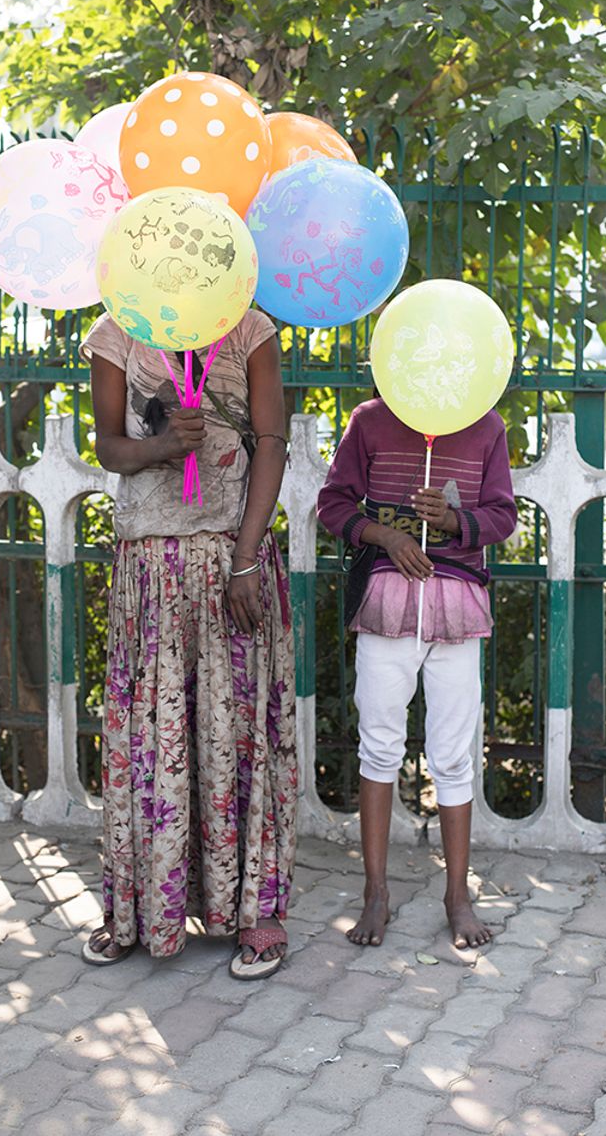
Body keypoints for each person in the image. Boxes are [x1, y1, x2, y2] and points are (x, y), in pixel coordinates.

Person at [80, 308, 297, 980]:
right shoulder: (117, 329)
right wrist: (161, 448)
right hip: (150, 567)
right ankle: (144, 909)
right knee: (152, 735)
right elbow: (110, 447)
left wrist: (246, 557)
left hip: (233, 557)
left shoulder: (250, 327)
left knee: (240, 734)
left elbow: (273, 440)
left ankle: (258, 910)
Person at [317, 396, 516, 949]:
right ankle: (375, 893)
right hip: (387, 602)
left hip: (458, 605)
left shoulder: (486, 426)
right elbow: (333, 504)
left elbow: (503, 514)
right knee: (378, 745)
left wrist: (454, 521)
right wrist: (388, 536)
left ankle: (457, 895)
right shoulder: (371, 420)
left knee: (453, 754)